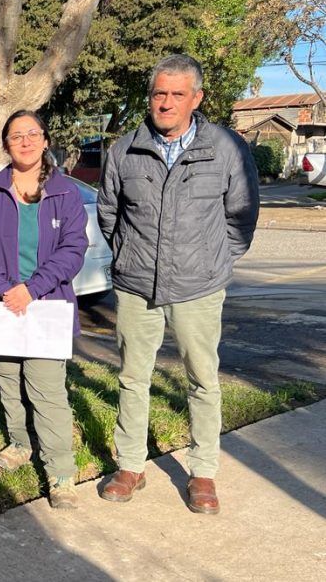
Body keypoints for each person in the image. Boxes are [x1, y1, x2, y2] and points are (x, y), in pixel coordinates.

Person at [97, 54, 259, 514]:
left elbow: (241, 217)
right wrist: (130, 256)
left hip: (199, 287)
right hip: (135, 286)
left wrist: (212, 262)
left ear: (196, 98)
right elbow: (109, 213)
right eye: (158, 93)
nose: (165, 103)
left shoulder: (225, 148)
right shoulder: (123, 149)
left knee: (203, 380)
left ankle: (203, 472)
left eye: (176, 94)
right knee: (132, 377)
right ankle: (130, 465)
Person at [0, 110, 88, 508]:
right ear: (6, 145)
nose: (26, 141)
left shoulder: (66, 192)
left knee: (47, 390)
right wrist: (6, 290)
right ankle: (20, 442)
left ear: (46, 140)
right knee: (9, 382)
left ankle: (61, 472)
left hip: (45, 305)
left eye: (33, 133)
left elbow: (73, 249)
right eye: (17, 136)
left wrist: (31, 289)